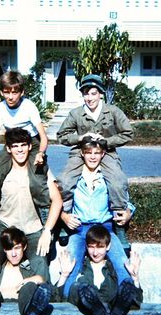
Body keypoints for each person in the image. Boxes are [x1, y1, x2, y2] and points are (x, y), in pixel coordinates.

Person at [0, 127, 62, 289]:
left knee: (40, 264)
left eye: (23, 145)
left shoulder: (40, 171)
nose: (19, 149)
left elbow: (57, 201)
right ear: (8, 149)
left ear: (29, 147)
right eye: (15, 146)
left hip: (32, 229)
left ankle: (39, 301)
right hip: (5, 228)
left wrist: (47, 231)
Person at [56, 74, 133, 249]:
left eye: (93, 93)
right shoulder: (76, 113)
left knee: (117, 181)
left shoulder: (112, 111)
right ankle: (65, 220)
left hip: (106, 152)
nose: (89, 98)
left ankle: (119, 224)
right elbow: (61, 136)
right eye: (86, 94)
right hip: (80, 152)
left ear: (100, 94)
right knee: (65, 181)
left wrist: (107, 141)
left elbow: (127, 133)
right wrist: (80, 137)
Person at [59, 136, 134, 299]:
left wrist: (128, 213)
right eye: (88, 153)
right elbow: (57, 202)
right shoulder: (74, 177)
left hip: (104, 230)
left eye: (97, 153)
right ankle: (68, 302)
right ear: (82, 154)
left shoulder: (109, 178)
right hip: (80, 229)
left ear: (103, 154)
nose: (92, 157)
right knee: (71, 266)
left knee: (122, 265)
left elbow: (127, 201)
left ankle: (127, 300)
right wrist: (64, 216)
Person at [0, 71, 50, 236]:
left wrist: (40, 153)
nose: (10, 96)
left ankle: (46, 221)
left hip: (31, 142)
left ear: (22, 92)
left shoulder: (29, 106)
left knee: (37, 179)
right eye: (7, 92)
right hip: (11, 142)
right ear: (2, 92)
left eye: (15, 92)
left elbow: (44, 138)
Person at [56, 225, 142, 315]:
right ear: (86, 246)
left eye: (100, 247)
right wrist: (64, 275)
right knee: (77, 288)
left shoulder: (113, 269)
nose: (95, 253)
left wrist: (135, 278)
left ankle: (116, 310)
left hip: (109, 305)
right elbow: (57, 299)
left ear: (108, 246)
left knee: (125, 286)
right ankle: (96, 307)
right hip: (85, 309)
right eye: (91, 247)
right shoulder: (80, 266)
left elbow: (138, 300)